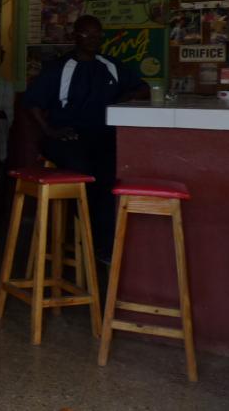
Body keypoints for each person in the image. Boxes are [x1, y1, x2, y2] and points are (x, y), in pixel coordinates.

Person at [24, 15, 149, 262]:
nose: (93, 39)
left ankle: (103, 246)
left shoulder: (109, 65)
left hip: (102, 135)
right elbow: (31, 102)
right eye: (87, 34)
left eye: (97, 34)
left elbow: (143, 87)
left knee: (111, 173)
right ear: (75, 36)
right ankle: (84, 237)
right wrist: (50, 131)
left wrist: (125, 98)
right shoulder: (59, 68)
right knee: (85, 170)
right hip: (65, 135)